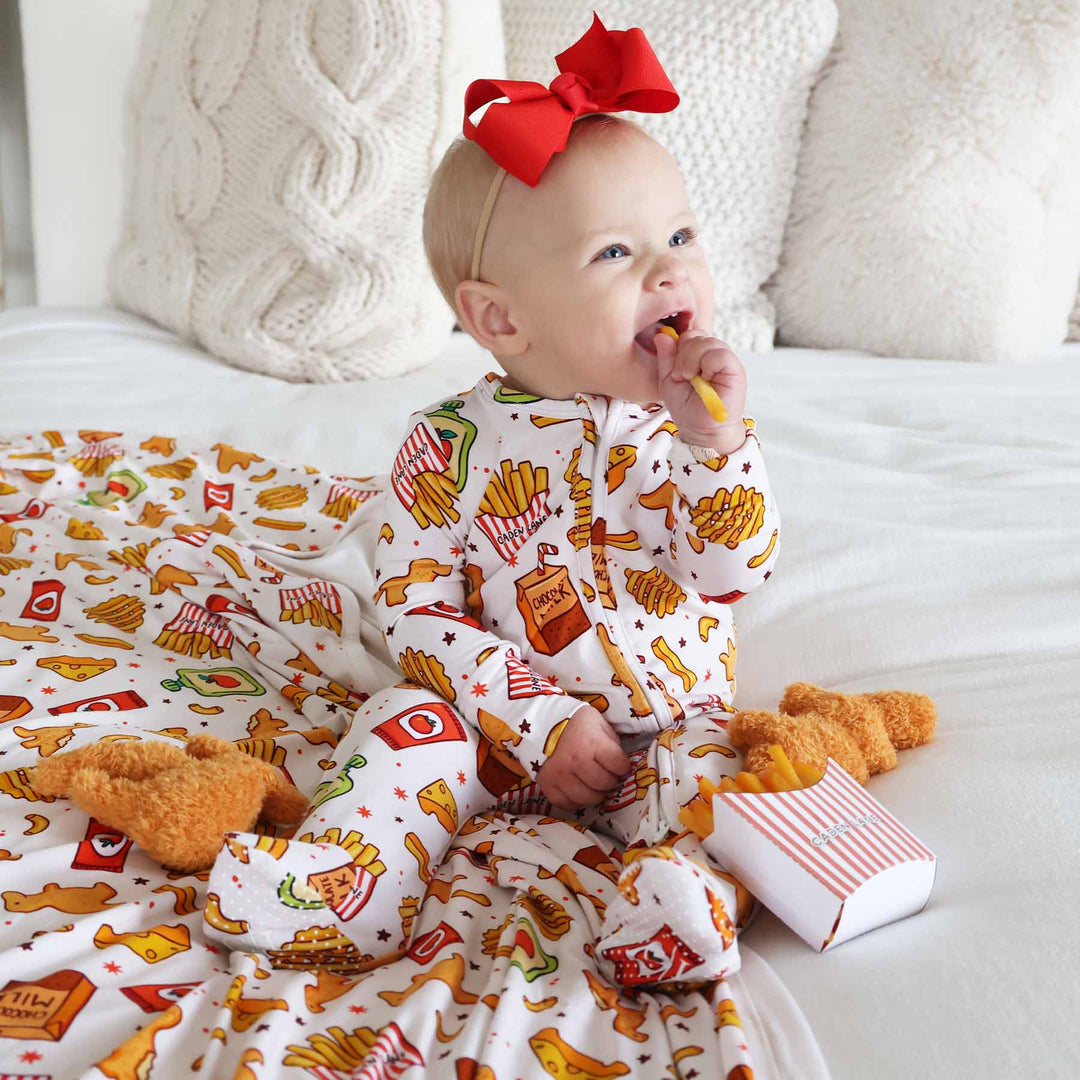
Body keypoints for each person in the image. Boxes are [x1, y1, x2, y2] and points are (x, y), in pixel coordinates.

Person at [209, 14, 780, 990]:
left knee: (723, 776)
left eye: (680, 236)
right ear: (499, 317)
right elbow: (417, 612)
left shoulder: (689, 426)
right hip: (502, 733)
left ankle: (680, 902)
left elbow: (729, 577)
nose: (671, 269)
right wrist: (538, 720)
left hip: (667, 720)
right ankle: (349, 883)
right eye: (616, 254)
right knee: (399, 729)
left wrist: (718, 448)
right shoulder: (447, 446)